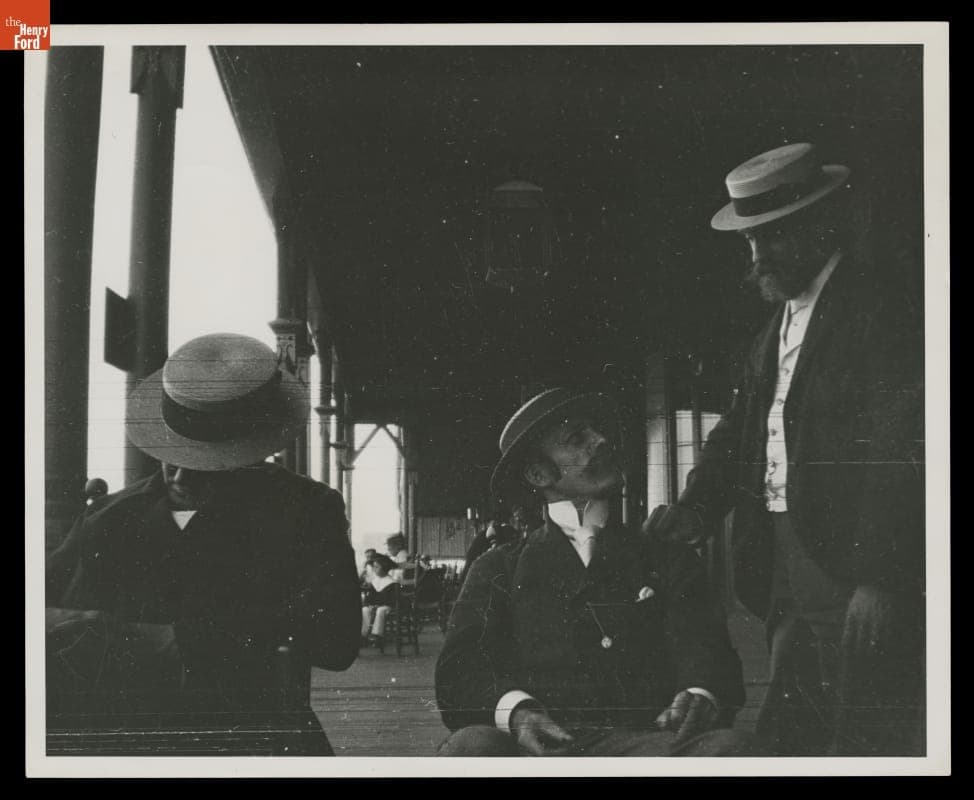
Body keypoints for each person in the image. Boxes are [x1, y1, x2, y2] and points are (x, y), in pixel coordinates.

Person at [645, 143, 925, 756]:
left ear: (818, 225)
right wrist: (694, 509)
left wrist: (882, 575)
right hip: (777, 558)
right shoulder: (771, 330)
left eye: (771, 236)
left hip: (852, 560)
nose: (757, 254)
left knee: (871, 727)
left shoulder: (882, 309)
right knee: (793, 726)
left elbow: (902, 446)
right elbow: (737, 434)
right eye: (749, 240)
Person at [45, 333, 361, 755]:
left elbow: (336, 639)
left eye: (205, 464)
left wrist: (179, 640)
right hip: (123, 732)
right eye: (172, 455)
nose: (179, 478)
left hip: (252, 731)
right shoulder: (108, 517)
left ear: (255, 450)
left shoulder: (305, 512)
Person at [435, 388, 763, 757]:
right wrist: (517, 712)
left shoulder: (667, 557)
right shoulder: (498, 567)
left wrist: (701, 694)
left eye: (597, 432)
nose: (602, 441)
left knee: (731, 749)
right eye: (578, 439)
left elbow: (709, 652)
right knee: (468, 748)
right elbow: (459, 671)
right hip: (535, 749)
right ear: (538, 473)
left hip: (648, 744)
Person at [361, 554, 401, 647]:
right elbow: (370, 597)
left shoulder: (392, 583)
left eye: (377, 567)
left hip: (387, 606)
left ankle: (377, 635)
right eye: (374, 567)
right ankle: (363, 634)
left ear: (384, 568)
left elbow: (391, 600)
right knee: (365, 610)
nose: (374, 569)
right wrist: (370, 604)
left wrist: (378, 605)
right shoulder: (374, 581)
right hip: (375, 605)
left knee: (380, 611)